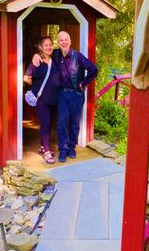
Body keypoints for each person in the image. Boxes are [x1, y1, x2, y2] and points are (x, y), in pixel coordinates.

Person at [33, 31, 97, 162]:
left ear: (70, 41)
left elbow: (93, 69)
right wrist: (36, 55)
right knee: (61, 123)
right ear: (58, 42)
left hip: (76, 94)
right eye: (61, 40)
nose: (64, 42)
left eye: (66, 39)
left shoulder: (77, 56)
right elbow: (45, 52)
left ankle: (71, 148)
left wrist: (83, 83)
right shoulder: (56, 54)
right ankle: (63, 149)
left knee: (74, 123)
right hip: (62, 94)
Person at [24, 36, 59, 164]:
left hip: (53, 100)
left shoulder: (55, 60)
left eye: (50, 45)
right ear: (41, 47)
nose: (49, 47)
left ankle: (42, 146)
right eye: (46, 45)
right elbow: (26, 78)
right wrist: (36, 86)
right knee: (45, 124)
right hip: (42, 100)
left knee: (48, 124)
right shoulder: (37, 61)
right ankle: (47, 152)